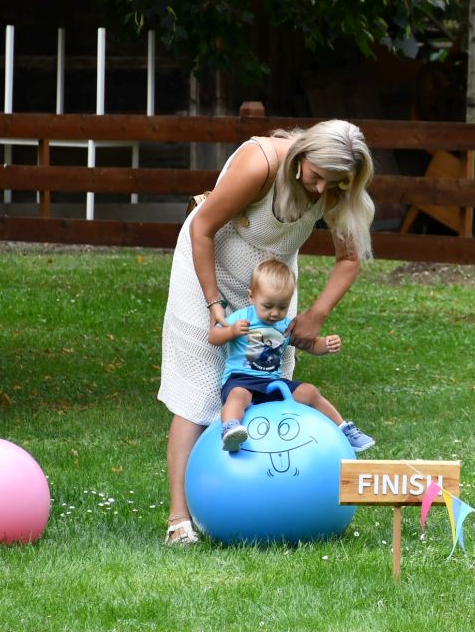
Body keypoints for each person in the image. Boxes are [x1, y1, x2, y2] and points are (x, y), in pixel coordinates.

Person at [158, 120, 375, 545]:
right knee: (199, 392)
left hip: (271, 285)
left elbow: (349, 259)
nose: (319, 192)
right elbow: (203, 228)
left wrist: (316, 314)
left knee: (270, 382)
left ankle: (269, 500)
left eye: (332, 184)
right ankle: (179, 518)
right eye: (315, 178)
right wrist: (213, 304)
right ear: (300, 158)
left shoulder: (333, 184)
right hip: (208, 269)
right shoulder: (259, 164)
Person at [211, 257, 374, 453]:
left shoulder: (285, 326)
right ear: (251, 296)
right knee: (238, 396)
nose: (275, 313)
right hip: (240, 379)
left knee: (310, 391)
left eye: (282, 307)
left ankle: (344, 430)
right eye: (268, 305)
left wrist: (325, 344)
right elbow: (213, 336)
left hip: (272, 383)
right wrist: (231, 332)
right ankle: (230, 429)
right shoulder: (242, 318)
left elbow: (310, 345)